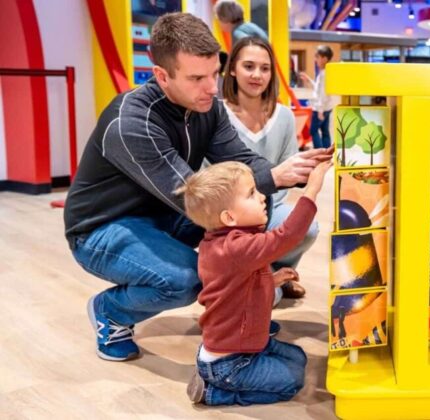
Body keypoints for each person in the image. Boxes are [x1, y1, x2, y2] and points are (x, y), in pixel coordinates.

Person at [64, 13, 332, 362]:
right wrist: (274, 177)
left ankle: (238, 315)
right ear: (161, 76)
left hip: (165, 214)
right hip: (103, 228)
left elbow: (240, 159)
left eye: (214, 74)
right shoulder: (131, 123)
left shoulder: (208, 107)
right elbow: (189, 194)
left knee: (251, 212)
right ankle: (111, 311)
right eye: (196, 78)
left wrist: (297, 171)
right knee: (185, 280)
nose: (210, 87)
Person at [179, 160, 331, 405]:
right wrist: (311, 190)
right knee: (293, 380)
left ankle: (216, 375)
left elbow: (237, 290)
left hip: (247, 344)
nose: (262, 198)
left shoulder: (226, 242)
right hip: (230, 362)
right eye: (251, 194)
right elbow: (288, 235)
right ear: (228, 217)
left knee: (299, 358)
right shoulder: (235, 248)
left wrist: (272, 280)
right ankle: (214, 392)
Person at [222, 36, 317, 300]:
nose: (257, 75)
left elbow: (289, 167)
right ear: (232, 69)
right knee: (263, 300)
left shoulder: (284, 115)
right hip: (230, 216)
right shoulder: (217, 115)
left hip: (272, 209)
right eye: (248, 66)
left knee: (307, 227)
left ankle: (281, 273)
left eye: (265, 68)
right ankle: (262, 283)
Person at [299, 45, 334, 149]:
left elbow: (322, 93)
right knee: (325, 131)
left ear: (324, 59)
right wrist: (309, 80)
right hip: (327, 107)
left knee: (313, 130)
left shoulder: (323, 74)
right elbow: (318, 89)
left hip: (321, 108)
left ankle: (319, 152)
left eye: (317, 57)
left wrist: (320, 110)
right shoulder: (325, 73)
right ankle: (327, 153)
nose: (315, 60)